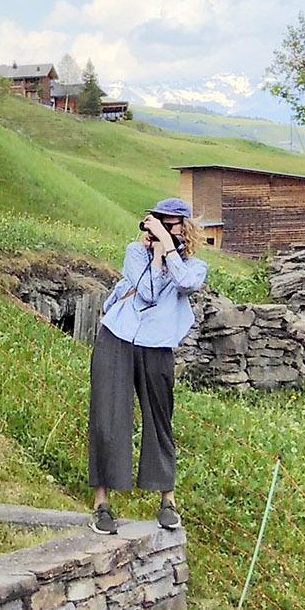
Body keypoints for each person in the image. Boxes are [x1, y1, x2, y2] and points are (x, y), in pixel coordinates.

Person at [88, 198, 208, 536]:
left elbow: (186, 284)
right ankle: (101, 503)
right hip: (117, 337)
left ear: (184, 228)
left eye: (170, 225)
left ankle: (167, 500)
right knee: (108, 418)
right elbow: (148, 292)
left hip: (157, 345)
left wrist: (168, 250)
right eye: (158, 223)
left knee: (159, 420)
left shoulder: (195, 266)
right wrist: (155, 255)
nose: (161, 230)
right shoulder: (135, 253)